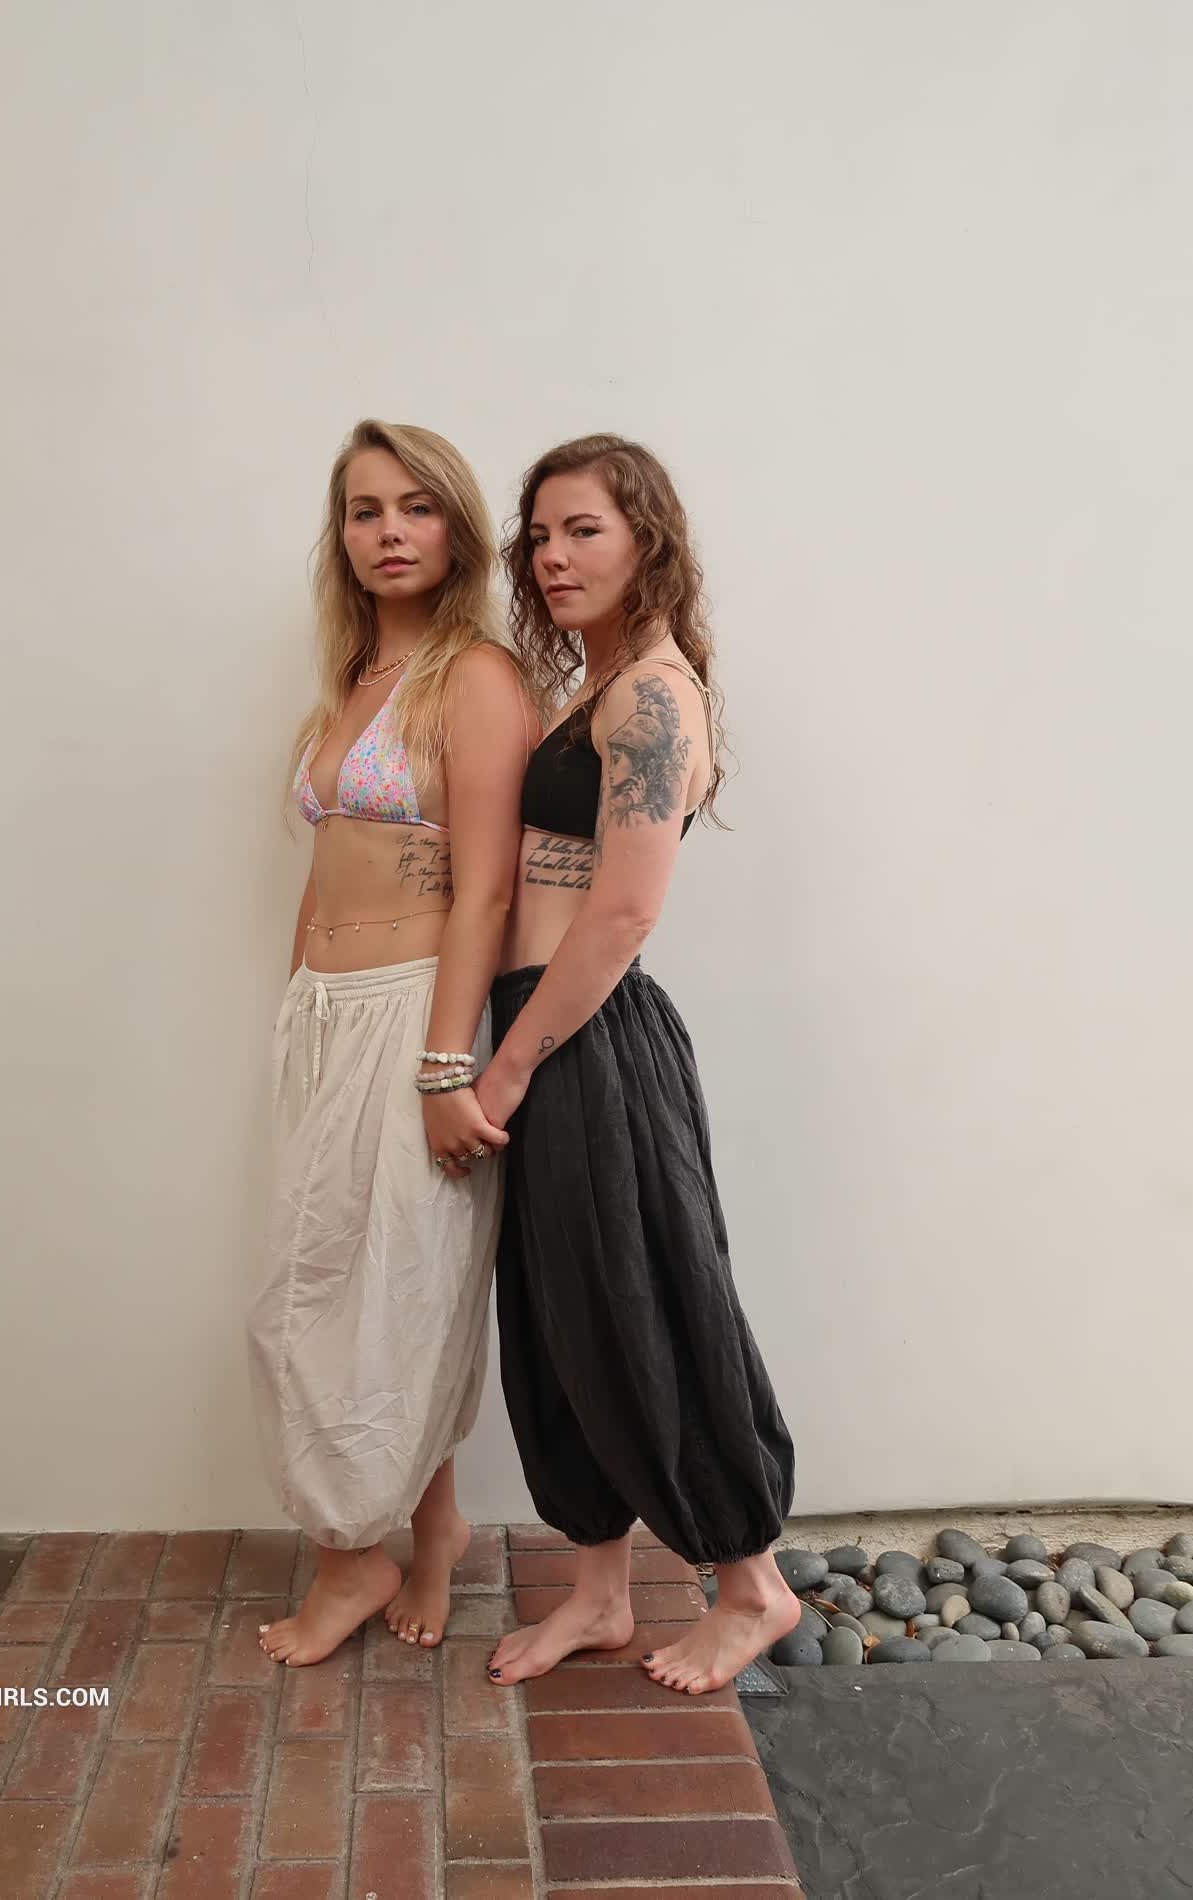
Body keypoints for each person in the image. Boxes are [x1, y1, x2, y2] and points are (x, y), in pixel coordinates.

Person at [475, 433, 800, 1695]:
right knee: (564, 1317)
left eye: (583, 531)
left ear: (647, 539)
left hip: (585, 1040)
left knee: (649, 1302)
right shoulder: (597, 684)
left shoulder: (653, 696)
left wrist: (512, 1066)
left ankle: (752, 1586)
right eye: (539, 537)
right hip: (546, 1028)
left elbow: (622, 912)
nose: (552, 558)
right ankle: (601, 1592)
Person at [247, 419, 538, 1666]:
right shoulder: (357, 672)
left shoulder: (475, 678)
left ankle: (348, 1561)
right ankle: (435, 1529)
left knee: (344, 1302)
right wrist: (299, 1004)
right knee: (372, 1285)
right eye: (365, 510)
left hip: (414, 1009)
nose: (389, 532)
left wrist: (442, 1060)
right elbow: (330, 857)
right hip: (324, 1014)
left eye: (416, 508)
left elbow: (486, 887)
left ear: (456, 529)